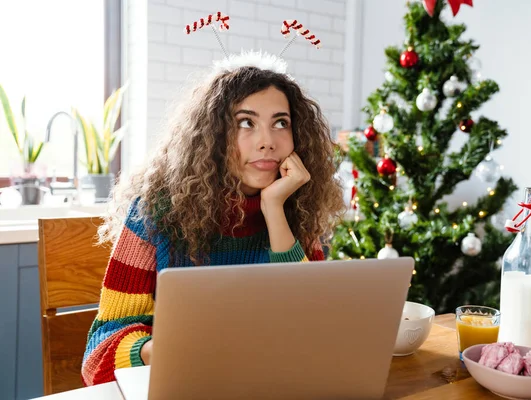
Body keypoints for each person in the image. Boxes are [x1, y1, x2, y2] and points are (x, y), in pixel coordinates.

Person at [81, 52, 345, 386]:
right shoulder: (153, 215)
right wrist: (164, 349)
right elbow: (99, 356)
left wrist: (274, 209)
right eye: (246, 123)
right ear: (212, 136)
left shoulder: (298, 210)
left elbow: (313, 324)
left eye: (281, 123)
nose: (267, 141)